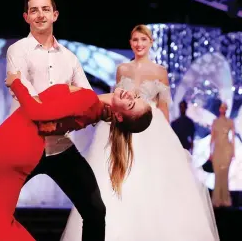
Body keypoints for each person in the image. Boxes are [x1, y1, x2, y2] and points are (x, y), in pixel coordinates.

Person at [0, 70, 152, 241]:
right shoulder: (95, 104)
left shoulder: (90, 102)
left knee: (94, 210)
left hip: (34, 147)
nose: (130, 94)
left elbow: (39, 113)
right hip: (29, 147)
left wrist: (17, 83)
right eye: (136, 96)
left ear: (120, 118)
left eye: (131, 103)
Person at [61, 25, 219, 241]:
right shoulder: (123, 69)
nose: (139, 44)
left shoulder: (160, 71)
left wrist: (169, 140)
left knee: (151, 179)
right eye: (135, 40)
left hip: (151, 128)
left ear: (150, 42)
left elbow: (163, 107)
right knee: (113, 175)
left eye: (143, 40)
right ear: (130, 42)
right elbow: (116, 100)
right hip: (120, 127)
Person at [6, 0, 107, 240]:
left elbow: (87, 98)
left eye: (45, 9)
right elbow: (27, 98)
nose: (40, 14)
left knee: (95, 209)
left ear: (55, 14)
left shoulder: (70, 58)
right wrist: (65, 99)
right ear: (26, 17)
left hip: (60, 145)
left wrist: (68, 104)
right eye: (34, 10)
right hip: (24, 146)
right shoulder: (17, 50)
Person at [210, 102, 235, 207]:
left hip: (226, 150)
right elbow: (212, 138)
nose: (223, 109)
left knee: (225, 174)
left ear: (226, 109)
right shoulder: (215, 122)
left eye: (225, 108)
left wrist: (233, 152)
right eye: (221, 107)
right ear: (219, 109)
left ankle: (225, 199)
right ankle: (216, 199)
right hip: (217, 150)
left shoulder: (230, 122)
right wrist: (210, 153)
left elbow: (232, 138)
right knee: (217, 174)